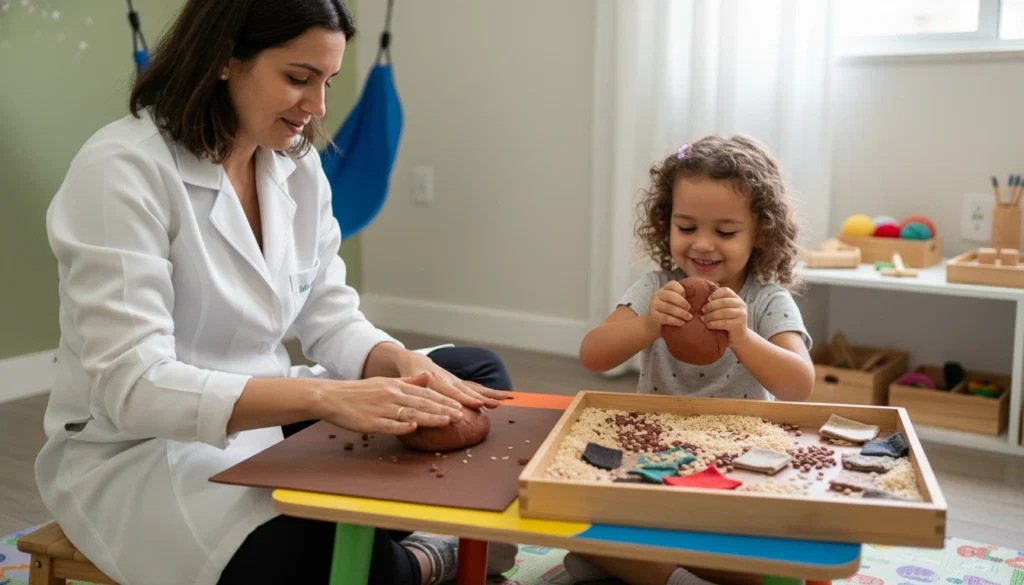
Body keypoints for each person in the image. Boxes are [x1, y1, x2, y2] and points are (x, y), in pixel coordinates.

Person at [36, 1, 516, 584]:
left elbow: (331, 314)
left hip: (268, 421)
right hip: (142, 451)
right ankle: (421, 560)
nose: (317, 108)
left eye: (328, 82)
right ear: (224, 60)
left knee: (475, 377)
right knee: (317, 558)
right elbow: (135, 388)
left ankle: (374, 536)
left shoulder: (295, 162)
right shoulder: (120, 172)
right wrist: (328, 401)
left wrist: (400, 364)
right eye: (298, 78)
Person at [572, 135, 816, 585]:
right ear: (666, 224)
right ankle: (661, 572)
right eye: (686, 228)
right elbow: (592, 354)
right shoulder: (655, 288)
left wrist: (742, 336)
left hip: (737, 459)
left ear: (760, 231)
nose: (703, 245)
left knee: (755, 559)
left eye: (724, 232)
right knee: (574, 521)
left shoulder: (766, 300)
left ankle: (643, 569)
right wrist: (646, 325)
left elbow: (799, 385)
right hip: (654, 452)